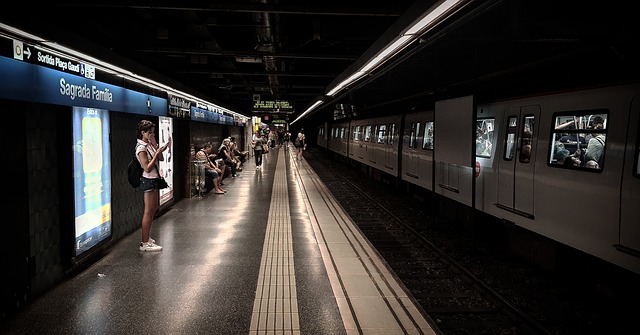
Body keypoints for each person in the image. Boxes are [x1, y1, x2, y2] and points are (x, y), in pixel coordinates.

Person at [136, 120, 170, 252]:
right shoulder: (141, 148)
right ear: (143, 133)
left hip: (154, 179)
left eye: (153, 132)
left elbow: (160, 158)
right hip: (148, 180)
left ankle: (147, 238)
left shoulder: (149, 144)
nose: (152, 134)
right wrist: (156, 153)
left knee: (153, 209)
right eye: (149, 132)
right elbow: (147, 168)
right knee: (148, 211)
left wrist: (156, 146)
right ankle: (144, 243)